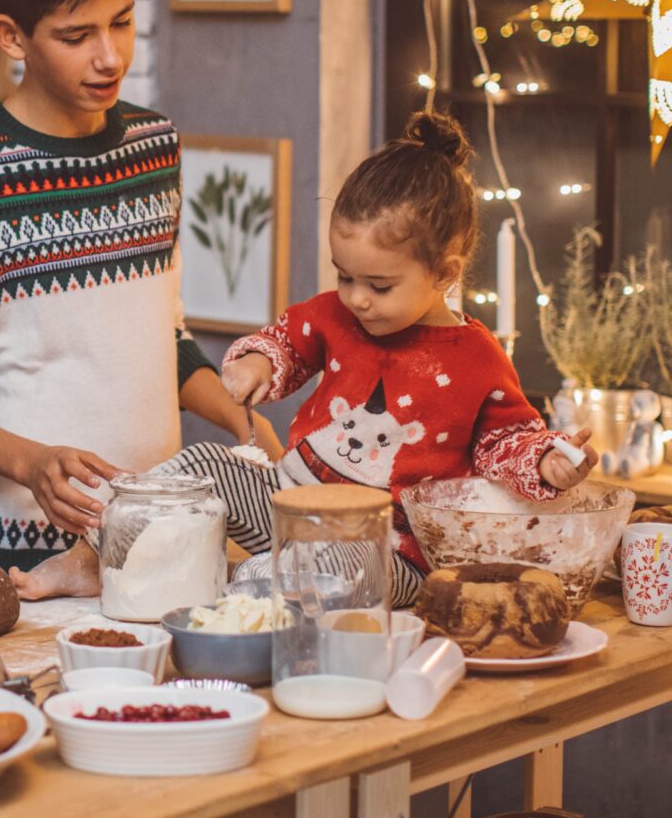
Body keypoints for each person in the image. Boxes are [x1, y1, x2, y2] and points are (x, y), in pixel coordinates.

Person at [0, 0, 282, 600]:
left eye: (123, 23)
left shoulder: (153, 144)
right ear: (12, 36)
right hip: (5, 549)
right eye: (77, 37)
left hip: (154, 532)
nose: (110, 57)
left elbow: (164, 336)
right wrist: (33, 464)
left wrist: (239, 418)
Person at [219, 110, 600, 603]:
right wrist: (259, 362)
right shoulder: (336, 315)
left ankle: (265, 581)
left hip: (389, 552)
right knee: (203, 466)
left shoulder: (477, 358)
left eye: (379, 285)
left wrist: (547, 460)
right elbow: (288, 343)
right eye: (345, 276)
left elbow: (506, 442)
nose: (356, 298)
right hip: (291, 505)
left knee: (343, 563)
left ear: (445, 273)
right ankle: (114, 544)